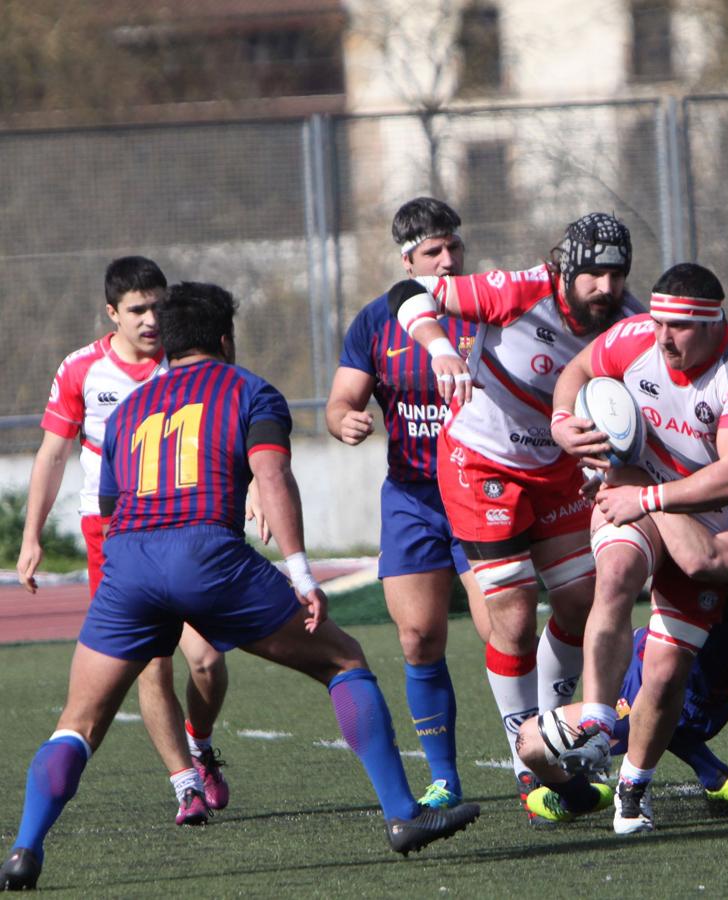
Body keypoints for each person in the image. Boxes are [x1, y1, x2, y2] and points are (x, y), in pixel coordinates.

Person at [0, 282, 479, 892]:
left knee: (79, 721)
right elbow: (272, 474)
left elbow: (114, 503)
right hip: (208, 555)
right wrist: (301, 571)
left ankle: (23, 849)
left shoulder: (125, 412)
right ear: (225, 338)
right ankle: (403, 816)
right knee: (343, 660)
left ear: (168, 345)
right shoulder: (250, 390)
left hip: (129, 562)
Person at [385, 212, 643, 819]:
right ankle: (530, 764)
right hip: (482, 465)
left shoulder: (630, 321)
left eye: (617, 273)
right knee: (516, 616)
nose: (606, 287)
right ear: (566, 269)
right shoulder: (520, 290)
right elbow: (409, 293)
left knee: (587, 599)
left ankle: (551, 727)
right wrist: (442, 347)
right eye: (594, 274)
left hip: (559, 471)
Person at [550, 261, 728, 833]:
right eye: (656, 323)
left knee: (667, 671)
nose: (660, 337)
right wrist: (560, 420)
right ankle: (600, 718)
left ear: (709, 324)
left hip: (705, 520)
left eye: (676, 327)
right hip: (635, 492)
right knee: (617, 573)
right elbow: (577, 369)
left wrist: (652, 497)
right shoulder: (637, 339)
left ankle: (633, 786)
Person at [15, 256, 233, 824]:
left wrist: (252, 492)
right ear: (112, 313)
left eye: (158, 306)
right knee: (150, 665)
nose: (151, 319)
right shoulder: (82, 369)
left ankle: (201, 745)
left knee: (206, 660)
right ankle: (184, 783)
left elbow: (233, 426)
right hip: (110, 533)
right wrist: (31, 534)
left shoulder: (185, 362)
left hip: (185, 525)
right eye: (137, 309)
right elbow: (53, 452)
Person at [516, 437, 728, 826]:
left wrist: (642, 490)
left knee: (529, 743)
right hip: (662, 663)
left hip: (689, 690)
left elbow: (702, 556)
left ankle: (583, 797)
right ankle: (709, 772)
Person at [326, 197, 488, 812]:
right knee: (419, 637)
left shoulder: (487, 309)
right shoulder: (376, 321)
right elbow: (343, 399)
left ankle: (538, 762)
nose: (447, 261)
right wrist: (346, 420)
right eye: (432, 253)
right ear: (407, 260)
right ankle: (444, 776)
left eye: (454, 248)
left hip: (484, 490)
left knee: (507, 628)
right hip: (414, 498)